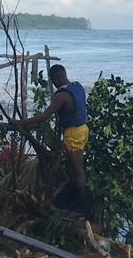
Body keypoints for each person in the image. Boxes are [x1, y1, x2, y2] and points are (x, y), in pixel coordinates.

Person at [21, 64, 91, 219]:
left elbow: (45, 116)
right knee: (74, 168)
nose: (53, 83)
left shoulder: (62, 96)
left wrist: (22, 123)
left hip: (73, 132)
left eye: (53, 80)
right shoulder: (77, 86)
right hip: (82, 128)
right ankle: (75, 204)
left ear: (57, 77)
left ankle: (83, 210)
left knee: (77, 168)